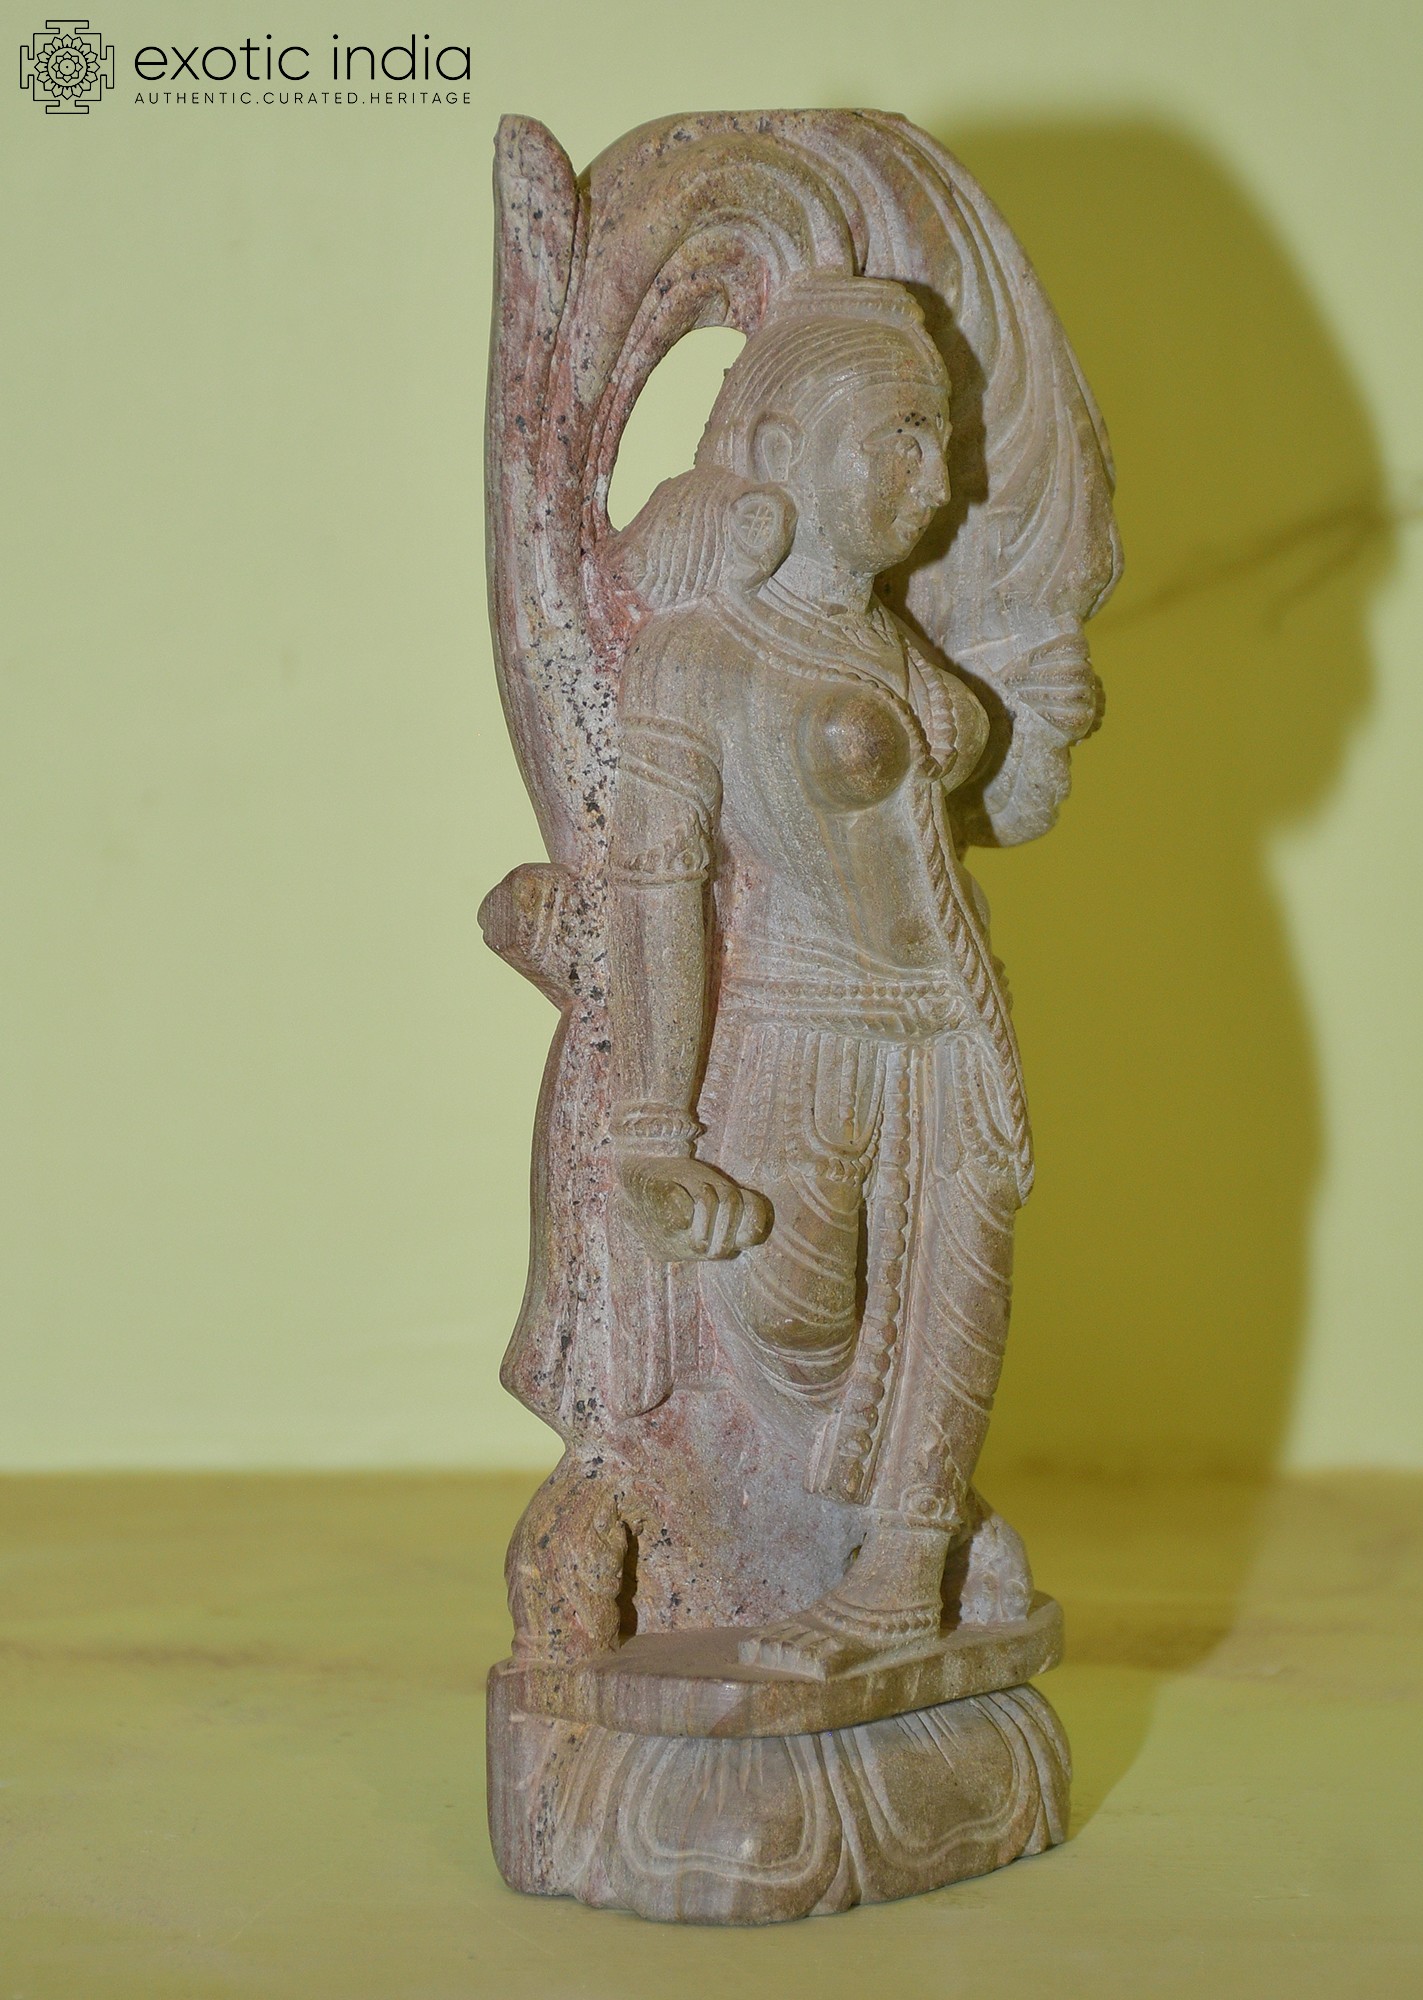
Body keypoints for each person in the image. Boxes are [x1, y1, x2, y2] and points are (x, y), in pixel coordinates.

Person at [606, 272, 1033, 1676]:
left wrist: (1039, 727)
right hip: (793, 1027)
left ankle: (907, 1565)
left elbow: (999, 804)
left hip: (948, 1027)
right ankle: (886, 1526)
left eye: (943, 441)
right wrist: (655, 1130)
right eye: (901, 437)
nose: (941, 480)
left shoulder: (889, 642)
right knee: (784, 1316)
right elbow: (657, 890)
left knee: (954, 1292)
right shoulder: (698, 656)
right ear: (784, 451)